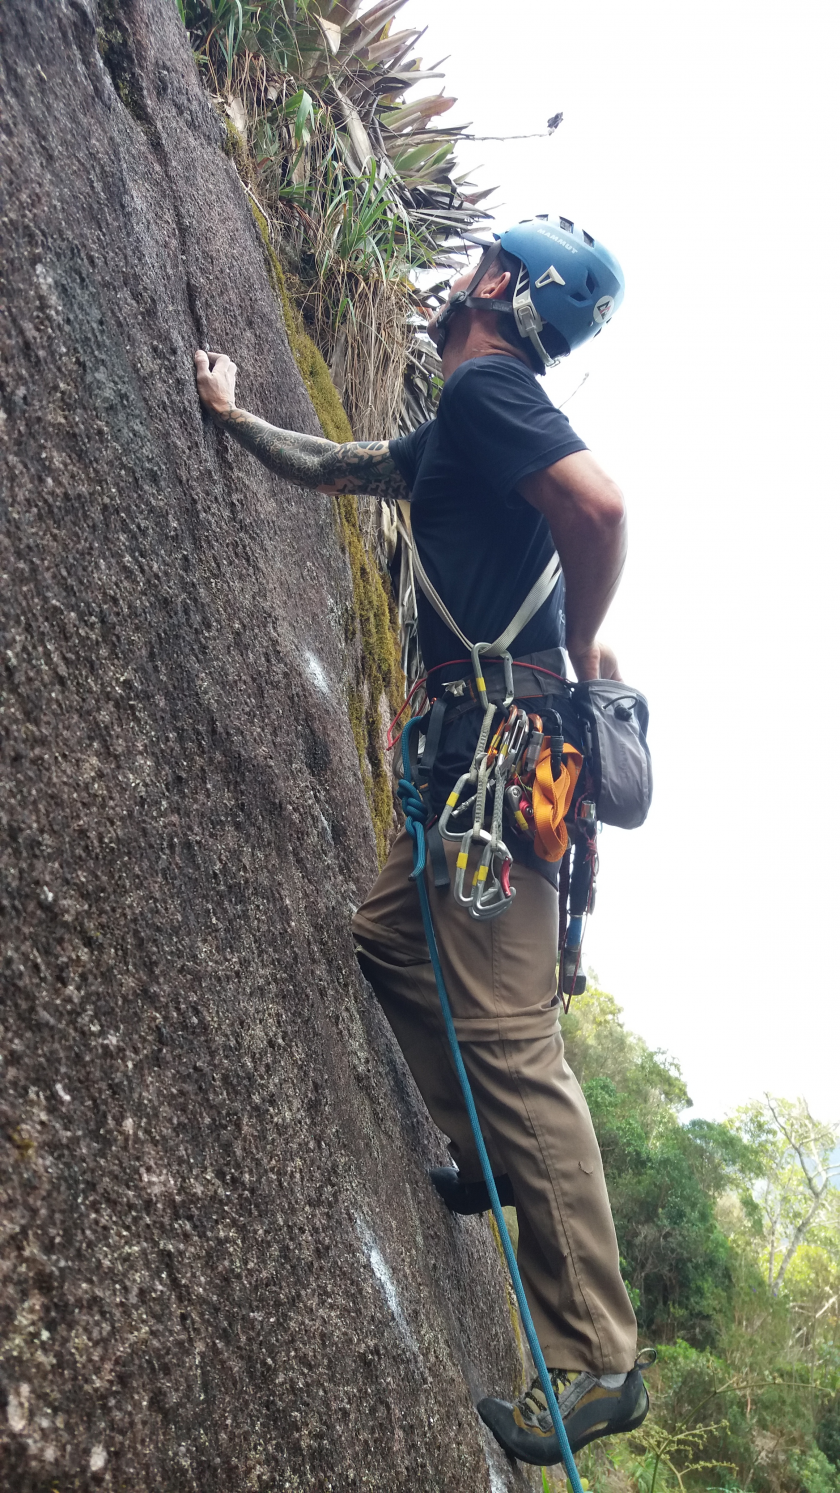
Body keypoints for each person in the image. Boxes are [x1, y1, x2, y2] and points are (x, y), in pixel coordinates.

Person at [194, 216, 650, 1468]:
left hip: (503, 762)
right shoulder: (462, 424)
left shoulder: (496, 389)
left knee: (511, 1031)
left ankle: (598, 1357)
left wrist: (574, 646)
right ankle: (487, 1155)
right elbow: (345, 465)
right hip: (469, 768)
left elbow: (599, 512)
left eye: (481, 262)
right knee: (390, 940)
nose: (462, 274)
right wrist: (234, 419)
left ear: (505, 287)